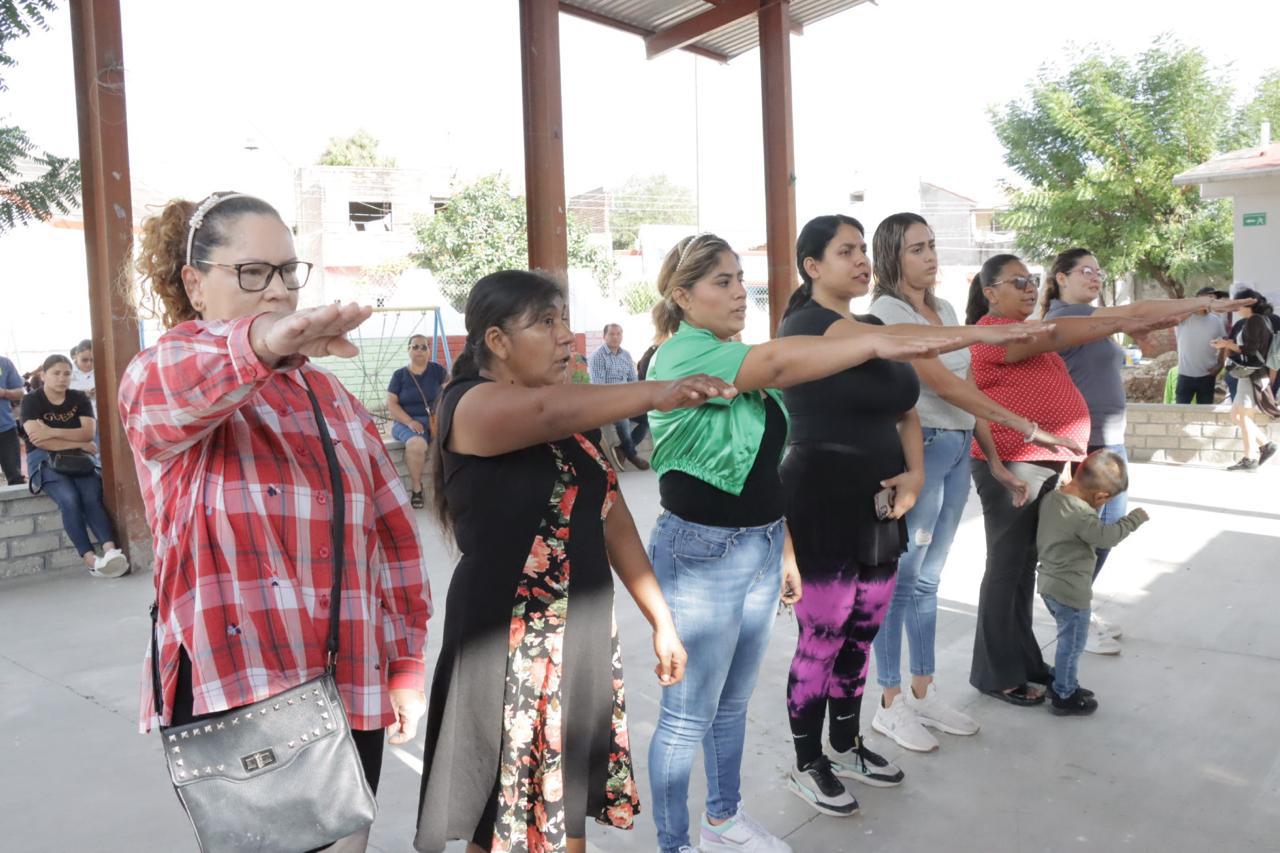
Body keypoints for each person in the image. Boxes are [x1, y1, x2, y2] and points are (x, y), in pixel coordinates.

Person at [122, 191, 430, 852]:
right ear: (194, 284)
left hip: (347, 681)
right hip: (242, 693)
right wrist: (264, 341)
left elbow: (393, 536)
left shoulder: (333, 398)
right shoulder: (166, 374)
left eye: (289, 271)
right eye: (253, 272)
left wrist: (404, 662)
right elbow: (173, 390)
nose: (278, 290)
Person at [644, 232, 952, 853]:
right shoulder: (680, 356)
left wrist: (781, 549)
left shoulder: (736, 352)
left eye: (740, 279)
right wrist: (883, 338)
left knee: (731, 705)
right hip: (702, 554)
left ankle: (723, 821)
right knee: (686, 716)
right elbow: (784, 367)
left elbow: (761, 471)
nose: (739, 293)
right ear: (682, 296)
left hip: (756, 546)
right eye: (723, 282)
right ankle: (675, 844)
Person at [413, 271, 730, 853]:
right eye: (546, 322)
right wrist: (657, 390)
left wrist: (661, 621)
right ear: (497, 341)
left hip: (576, 637)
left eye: (565, 320)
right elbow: (544, 410)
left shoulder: (570, 428)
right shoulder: (469, 406)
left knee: (561, 817)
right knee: (506, 823)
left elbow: (614, 520)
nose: (565, 337)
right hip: (512, 643)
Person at [776, 214, 1057, 817]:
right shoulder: (808, 327)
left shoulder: (875, 325)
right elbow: (919, 359)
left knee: (864, 627)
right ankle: (808, 762)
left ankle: (848, 744)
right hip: (822, 498)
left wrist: (917, 473)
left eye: (861, 250)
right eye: (845, 251)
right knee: (823, 634)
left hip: (882, 501)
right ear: (812, 267)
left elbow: (907, 409)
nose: (860, 260)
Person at [864, 213, 1082, 754]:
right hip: (922, 451)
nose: (931, 256)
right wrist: (1028, 428)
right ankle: (889, 701)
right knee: (902, 578)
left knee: (930, 580)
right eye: (918, 248)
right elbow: (941, 386)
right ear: (892, 256)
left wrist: (994, 459)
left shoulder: (941, 310)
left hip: (958, 448)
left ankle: (923, 689)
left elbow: (966, 386)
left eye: (933, 245)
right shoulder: (885, 313)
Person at [963, 253, 1176, 707]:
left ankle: (1023, 661)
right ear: (990, 292)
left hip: (1040, 464)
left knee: (1021, 568)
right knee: (1005, 569)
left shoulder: (1024, 331)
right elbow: (1060, 333)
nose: (1027, 288)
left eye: (1030, 281)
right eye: (1016, 281)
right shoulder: (991, 336)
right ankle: (995, 673)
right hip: (1013, 464)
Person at [1040, 249, 1246, 654]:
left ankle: (1077, 605)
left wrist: (1192, 310)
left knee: (1102, 533)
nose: (1095, 277)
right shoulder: (1065, 318)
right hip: (1088, 440)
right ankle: (1070, 609)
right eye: (1086, 271)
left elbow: (1147, 318)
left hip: (1109, 437)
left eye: (1100, 271)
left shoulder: (1093, 318)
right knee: (1096, 534)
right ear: (1060, 278)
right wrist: (1203, 302)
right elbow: (1140, 309)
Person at [1037, 450, 1149, 714]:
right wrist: (1133, 520)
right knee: (1072, 645)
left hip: (1049, 585)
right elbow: (1106, 537)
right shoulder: (1082, 516)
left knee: (1067, 639)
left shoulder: (1053, 497)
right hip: (1071, 592)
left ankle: (1065, 683)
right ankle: (1064, 695)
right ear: (1101, 497)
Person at [22, 354, 128, 576]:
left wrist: (51, 431)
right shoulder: (32, 400)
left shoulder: (78, 398)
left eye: (67, 373)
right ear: (44, 375)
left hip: (77, 459)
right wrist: (79, 441)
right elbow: (36, 439)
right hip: (43, 459)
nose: (62, 378)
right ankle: (90, 560)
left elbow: (89, 432)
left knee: (91, 495)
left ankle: (111, 553)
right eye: (56, 373)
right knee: (69, 498)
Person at [1212, 287, 1280, 470]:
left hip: (1251, 373)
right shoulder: (1259, 320)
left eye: (1238, 304)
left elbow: (1250, 350)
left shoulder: (1254, 321)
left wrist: (1226, 344)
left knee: (1242, 415)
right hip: (1252, 373)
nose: (1236, 307)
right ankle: (1262, 447)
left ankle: (1253, 455)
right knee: (1237, 414)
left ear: (1248, 304)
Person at [387, 334, 448, 508]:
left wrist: (443, 417)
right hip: (406, 422)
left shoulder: (438, 371)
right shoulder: (399, 375)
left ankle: (447, 487)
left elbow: (447, 395)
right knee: (416, 444)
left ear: (429, 350)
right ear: (408, 350)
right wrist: (409, 422)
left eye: (424, 347)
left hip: (434, 420)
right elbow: (391, 404)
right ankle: (416, 489)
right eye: (415, 346)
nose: (419, 350)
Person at [589, 323, 650, 470]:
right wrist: (622, 399)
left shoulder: (626, 355)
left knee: (647, 418)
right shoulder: (598, 356)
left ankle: (622, 450)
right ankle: (631, 454)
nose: (615, 337)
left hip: (625, 401)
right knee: (622, 418)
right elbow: (600, 388)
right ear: (604, 336)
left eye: (618, 334)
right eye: (612, 334)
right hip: (607, 403)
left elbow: (633, 382)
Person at [1174, 287, 1228, 404]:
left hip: (1207, 375)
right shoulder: (1182, 318)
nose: (1212, 302)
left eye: (1214, 299)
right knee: (1180, 412)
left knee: (1204, 414)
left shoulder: (1216, 321)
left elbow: (1224, 343)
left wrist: (1220, 365)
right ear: (1198, 299)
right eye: (1209, 298)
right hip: (1185, 375)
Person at [0, 352, 25, 485]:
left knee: (15, 477)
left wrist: (4, 392)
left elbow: (20, 393)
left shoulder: (4, 363)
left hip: (5, 428)